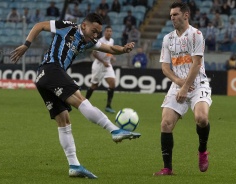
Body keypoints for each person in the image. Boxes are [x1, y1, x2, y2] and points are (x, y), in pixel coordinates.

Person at [10, 13, 141, 179]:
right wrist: (26, 45)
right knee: (81, 100)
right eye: (94, 31)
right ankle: (114, 130)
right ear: (84, 26)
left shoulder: (88, 42)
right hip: (51, 69)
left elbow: (108, 48)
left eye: (98, 32)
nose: (96, 35)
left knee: (64, 121)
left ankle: (74, 165)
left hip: (43, 78)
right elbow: (39, 26)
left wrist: (124, 49)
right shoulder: (67, 27)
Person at [153, 2, 212, 176]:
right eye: (171, 15)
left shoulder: (196, 35)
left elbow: (197, 64)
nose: (172, 18)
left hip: (198, 83)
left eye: (176, 14)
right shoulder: (167, 39)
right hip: (178, 85)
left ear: (186, 15)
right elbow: (165, 67)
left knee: (201, 118)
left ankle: (202, 151)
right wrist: (179, 83)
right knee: (165, 124)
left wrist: (185, 87)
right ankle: (167, 168)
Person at [86, 25, 117, 113]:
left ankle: (108, 106)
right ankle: (84, 102)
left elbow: (109, 51)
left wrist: (112, 57)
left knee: (112, 84)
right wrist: (103, 61)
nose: (109, 32)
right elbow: (94, 53)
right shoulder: (100, 41)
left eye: (110, 31)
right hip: (99, 65)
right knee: (94, 86)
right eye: (107, 31)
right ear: (104, 32)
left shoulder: (112, 41)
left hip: (108, 65)